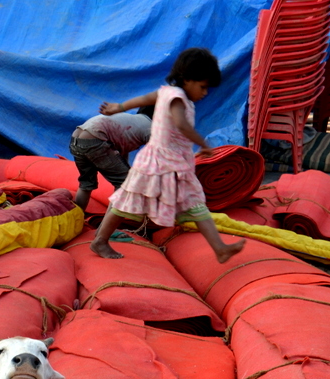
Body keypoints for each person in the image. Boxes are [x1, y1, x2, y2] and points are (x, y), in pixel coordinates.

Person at [89, 47, 245, 263]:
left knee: (193, 202)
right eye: (203, 87)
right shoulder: (177, 98)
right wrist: (202, 143)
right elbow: (180, 123)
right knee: (128, 200)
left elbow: (145, 99)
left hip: (174, 164)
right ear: (188, 79)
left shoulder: (167, 93)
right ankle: (100, 240)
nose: (205, 93)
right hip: (158, 163)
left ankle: (219, 248)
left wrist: (119, 106)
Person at [69, 106, 152, 211]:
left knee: (86, 184)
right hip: (96, 138)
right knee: (125, 185)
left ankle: (77, 220)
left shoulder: (132, 120)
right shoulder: (152, 128)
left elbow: (121, 155)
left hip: (76, 138)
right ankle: (105, 227)